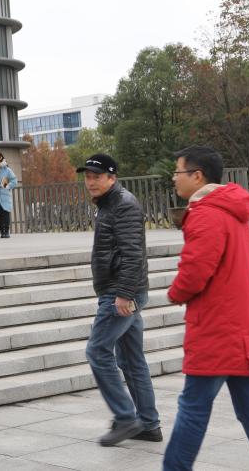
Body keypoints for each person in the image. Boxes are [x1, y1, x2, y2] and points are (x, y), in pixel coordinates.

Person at [163, 146, 249, 469]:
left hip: (219, 331)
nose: (174, 178)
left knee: (193, 409)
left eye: (178, 172)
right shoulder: (230, 208)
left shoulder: (206, 213)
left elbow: (196, 271)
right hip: (245, 332)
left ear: (197, 176)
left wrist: (175, 293)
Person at [77, 153, 160, 446]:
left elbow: (133, 254)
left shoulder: (123, 204)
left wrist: (124, 294)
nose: (90, 182)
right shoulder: (108, 204)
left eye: (96, 177)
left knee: (97, 351)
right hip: (121, 290)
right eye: (87, 177)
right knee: (131, 360)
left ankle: (126, 418)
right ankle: (148, 424)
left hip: (120, 293)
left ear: (112, 178)